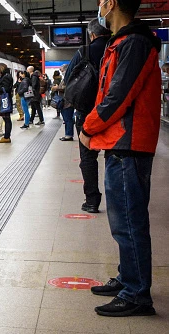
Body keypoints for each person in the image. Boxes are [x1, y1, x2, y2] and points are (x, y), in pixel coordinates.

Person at [80, 0, 161, 317]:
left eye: (101, 1)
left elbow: (118, 96)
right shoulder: (125, 43)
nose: (99, 6)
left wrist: (89, 127)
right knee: (122, 222)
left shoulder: (134, 43)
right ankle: (129, 279)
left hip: (129, 144)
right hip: (121, 143)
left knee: (129, 222)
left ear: (111, 4)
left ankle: (137, 294)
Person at [68, 19, 111, 213]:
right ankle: (117, 200)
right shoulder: (117, 46)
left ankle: (92, 200)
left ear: (91, 34)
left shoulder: (84, 51)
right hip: (112, 109)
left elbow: (70, 77)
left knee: (88, 157)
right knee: (114, 154)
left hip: (87, 111)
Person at [0, 63, 14, 143]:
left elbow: (6, 88)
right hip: (5, 99)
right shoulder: (7, 76)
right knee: (6, 118)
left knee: (7, 118)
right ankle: (6, 136)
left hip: (5, 100)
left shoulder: (6, 77)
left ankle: (7, 137)